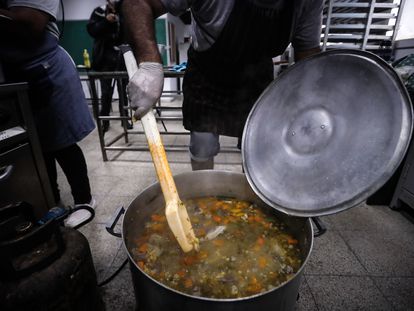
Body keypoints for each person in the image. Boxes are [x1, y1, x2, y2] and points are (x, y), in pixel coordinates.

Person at [122, 0, 324, 170]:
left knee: (257, 150)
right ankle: (202, 198)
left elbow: (308, 50)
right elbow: (138, 3)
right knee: (202, 145)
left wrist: (310, 103)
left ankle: (254, 200)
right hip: (207, 74)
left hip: (256, 79)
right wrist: (149, 63)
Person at [0, 0, 96, 227]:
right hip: (15, 73)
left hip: (45, 70)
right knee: (39, 148)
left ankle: (85, 200)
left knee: (62, 144)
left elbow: (32, 23)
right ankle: (52, 202)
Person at [87, 0, 132, 133]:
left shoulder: (124, 13)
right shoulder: (99, 12)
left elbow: (129, 32)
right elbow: (92, 31)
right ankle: (104, 122)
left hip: (122, 56)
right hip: (105, 58)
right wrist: (106, 21)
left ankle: (125, 120)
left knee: (123, 91)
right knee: (106, 92)